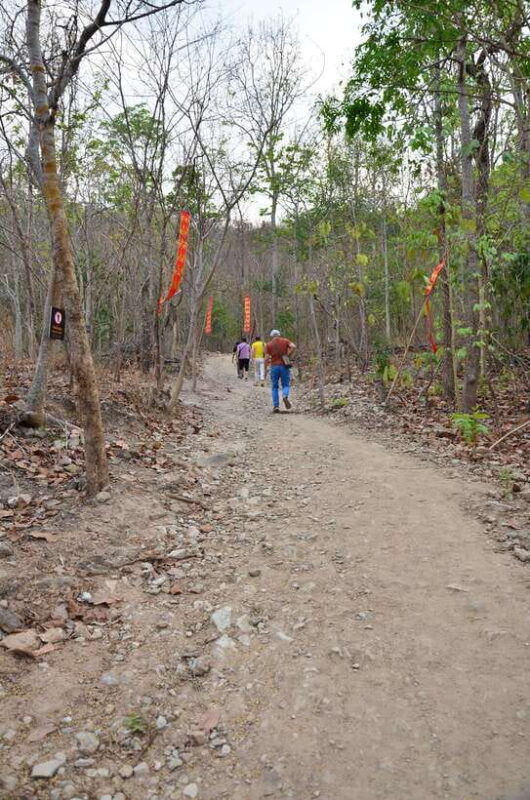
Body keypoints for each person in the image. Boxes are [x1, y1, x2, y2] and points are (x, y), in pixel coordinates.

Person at [265, 329, 296, 412]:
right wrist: (288, 354)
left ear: (271, 336)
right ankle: (285, 395)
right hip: (284, 366)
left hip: (274, 366)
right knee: (286, 385)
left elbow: (267, 358)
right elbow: (293, 346)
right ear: (279, 334)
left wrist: (265, 368)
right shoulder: (285, 341)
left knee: (274, 387)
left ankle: (276, 406)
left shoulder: (269, 344)